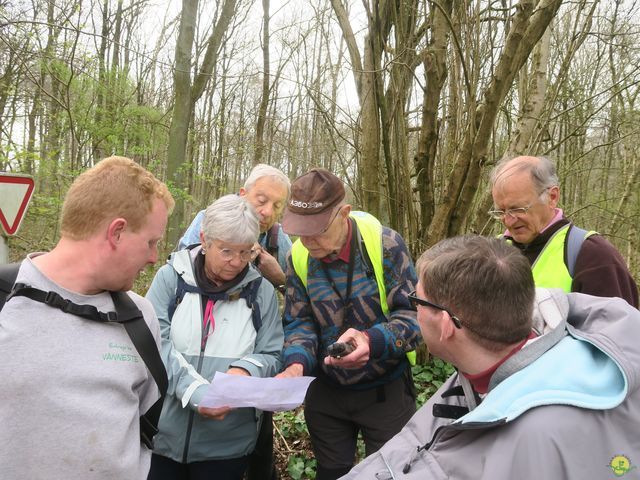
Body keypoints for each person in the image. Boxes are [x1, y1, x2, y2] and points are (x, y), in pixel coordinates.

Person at [341, 235, 640, 479]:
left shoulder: (531, 441)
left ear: (446, 325)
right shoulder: (493, 367)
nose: (412, 310)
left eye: (416, 301)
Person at [0, 156, 174, 479]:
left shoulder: (140, 319)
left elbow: (144, 426)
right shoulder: (6, 302)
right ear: (117, 233)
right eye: (151, 242)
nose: (154, 258)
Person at [276, 168, 421, 480]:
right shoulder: (299, 257)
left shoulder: (385, 245)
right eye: (300, 230)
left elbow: (414, 317)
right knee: (332, 473)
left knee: (390, 473)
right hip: (326, 393)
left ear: (343, 213)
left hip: (386, 391)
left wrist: (373, 341)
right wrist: (296, 364)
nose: (307, 240)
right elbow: (299, 321)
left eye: (316, 229)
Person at [146, 194, 284, 480]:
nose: (237, 262)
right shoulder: (170, 279)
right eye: (226, 251)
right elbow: (155, 344)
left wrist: (245, 370)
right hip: (161, 437)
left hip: (228, 446)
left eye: (246, 252)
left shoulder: (261, 293)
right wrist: (195, 392)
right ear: (204, 239)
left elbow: (272, 354)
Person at [489, 155, 638, 307]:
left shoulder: (594, 256)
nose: (508, 220)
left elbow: (619, 328)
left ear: (552, 197)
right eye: (500, 212)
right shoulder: (492, 251)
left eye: (517, 209)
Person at [178, 163, 291, 290]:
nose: (268, 212)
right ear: (243, 194)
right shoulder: (208, 219)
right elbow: (181, 269)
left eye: (277, 206)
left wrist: (280, 280)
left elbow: (300, 297)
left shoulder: (277, 237)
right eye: (261, 201)